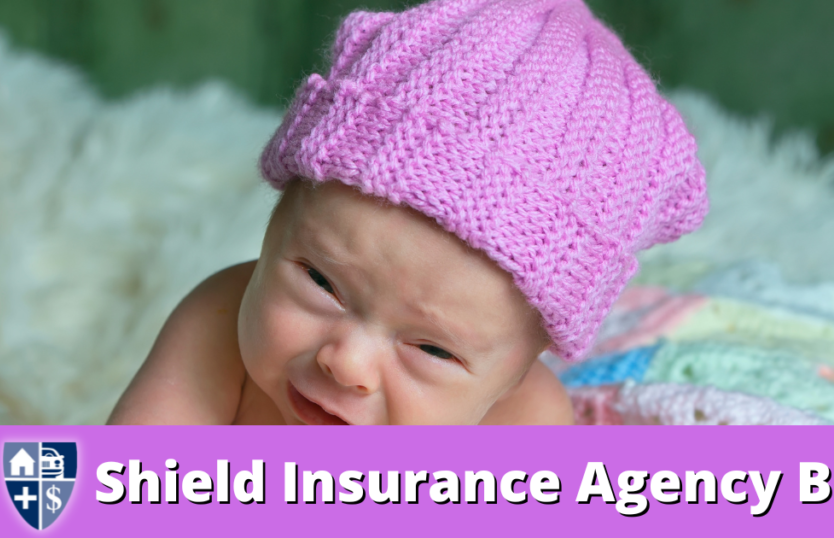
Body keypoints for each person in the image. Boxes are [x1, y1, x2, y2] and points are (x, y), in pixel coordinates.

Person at [108, 0, 707, 425]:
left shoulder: (522, 427)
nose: (346, 364)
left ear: (519, 369)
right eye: (321, 282)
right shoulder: (216, 324)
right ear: (276, 222)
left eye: (433, 350)